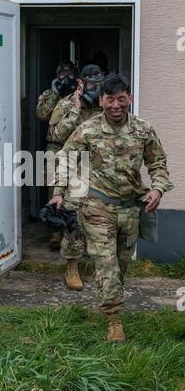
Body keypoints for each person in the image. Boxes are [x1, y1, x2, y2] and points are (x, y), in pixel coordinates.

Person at [49, 74, 173, 341]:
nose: (115, 105)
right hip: (97, 206)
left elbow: (158, 164)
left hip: (130, 210)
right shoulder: (88, 129)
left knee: (121, 265)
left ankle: (109, 293)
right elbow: (67, 160)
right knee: (106, 264)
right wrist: (58, 192)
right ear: (102, 100)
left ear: (130, 98)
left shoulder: (143, 130)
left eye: (121, 99)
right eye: (109, 100)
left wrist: (158, 188)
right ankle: (114, 320)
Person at [48, 64, 103, 289]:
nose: (95, 89)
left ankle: (100, 265)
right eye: (91, 84)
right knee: (73, 219)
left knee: (99, 217)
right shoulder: (65, 104)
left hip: (100, 171)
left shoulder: (106, 104)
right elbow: (57, 134)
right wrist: (76, 109)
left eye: (98, 84)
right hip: (74, 170)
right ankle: (71, 266)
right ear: (81, 82)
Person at [37, 60, 78, 250]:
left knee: (76, 188)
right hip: (55, 147)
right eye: (62, 74)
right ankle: (56, 232)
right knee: (54, 189)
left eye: (70, 74)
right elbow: (42, 114)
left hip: (77, 148)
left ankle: (74, 232)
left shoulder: (80, 95)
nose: (66, 78)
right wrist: (54, 93)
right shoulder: (49, 94)